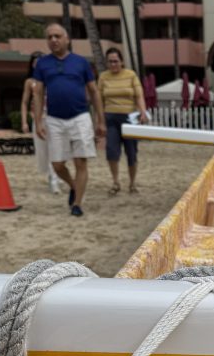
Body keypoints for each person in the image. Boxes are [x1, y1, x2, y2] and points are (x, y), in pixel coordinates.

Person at [33, 23, 106, 218]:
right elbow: (38, 93)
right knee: (57, 164)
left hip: (80, 116)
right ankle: (74, 186)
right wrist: (38, 120)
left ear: (67, 39)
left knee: (80, 162)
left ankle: (77, 204)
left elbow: (94, 91)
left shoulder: (81, 62)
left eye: (57, 36)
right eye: (50, 37)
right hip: (54, 119)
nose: (53, 40)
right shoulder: (42, 64)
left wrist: (101, 120)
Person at [97, 47, 148, 194]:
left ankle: (132, 183)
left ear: (122, 61)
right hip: (110, 118)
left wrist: (142, 112)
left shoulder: (131, 75)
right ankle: (115, 182)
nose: (113, 64)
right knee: (112, 151)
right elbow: (99, 100)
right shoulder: (103, 77)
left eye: (116, 61)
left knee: (131, 152)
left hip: (129, 118)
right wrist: (99, 121)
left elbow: (139, 95)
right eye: (110, 61)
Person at [21, 52, 61, 194]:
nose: (38, 64)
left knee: (55, 148)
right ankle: (52, 175)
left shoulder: (52, 79)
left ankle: (55, 178)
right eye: (35, 62)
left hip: (54, 118)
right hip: (38, 119)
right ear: (32, 64)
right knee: (43, 151)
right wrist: (24, 121)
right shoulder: (30, 82)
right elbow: (25, 102)